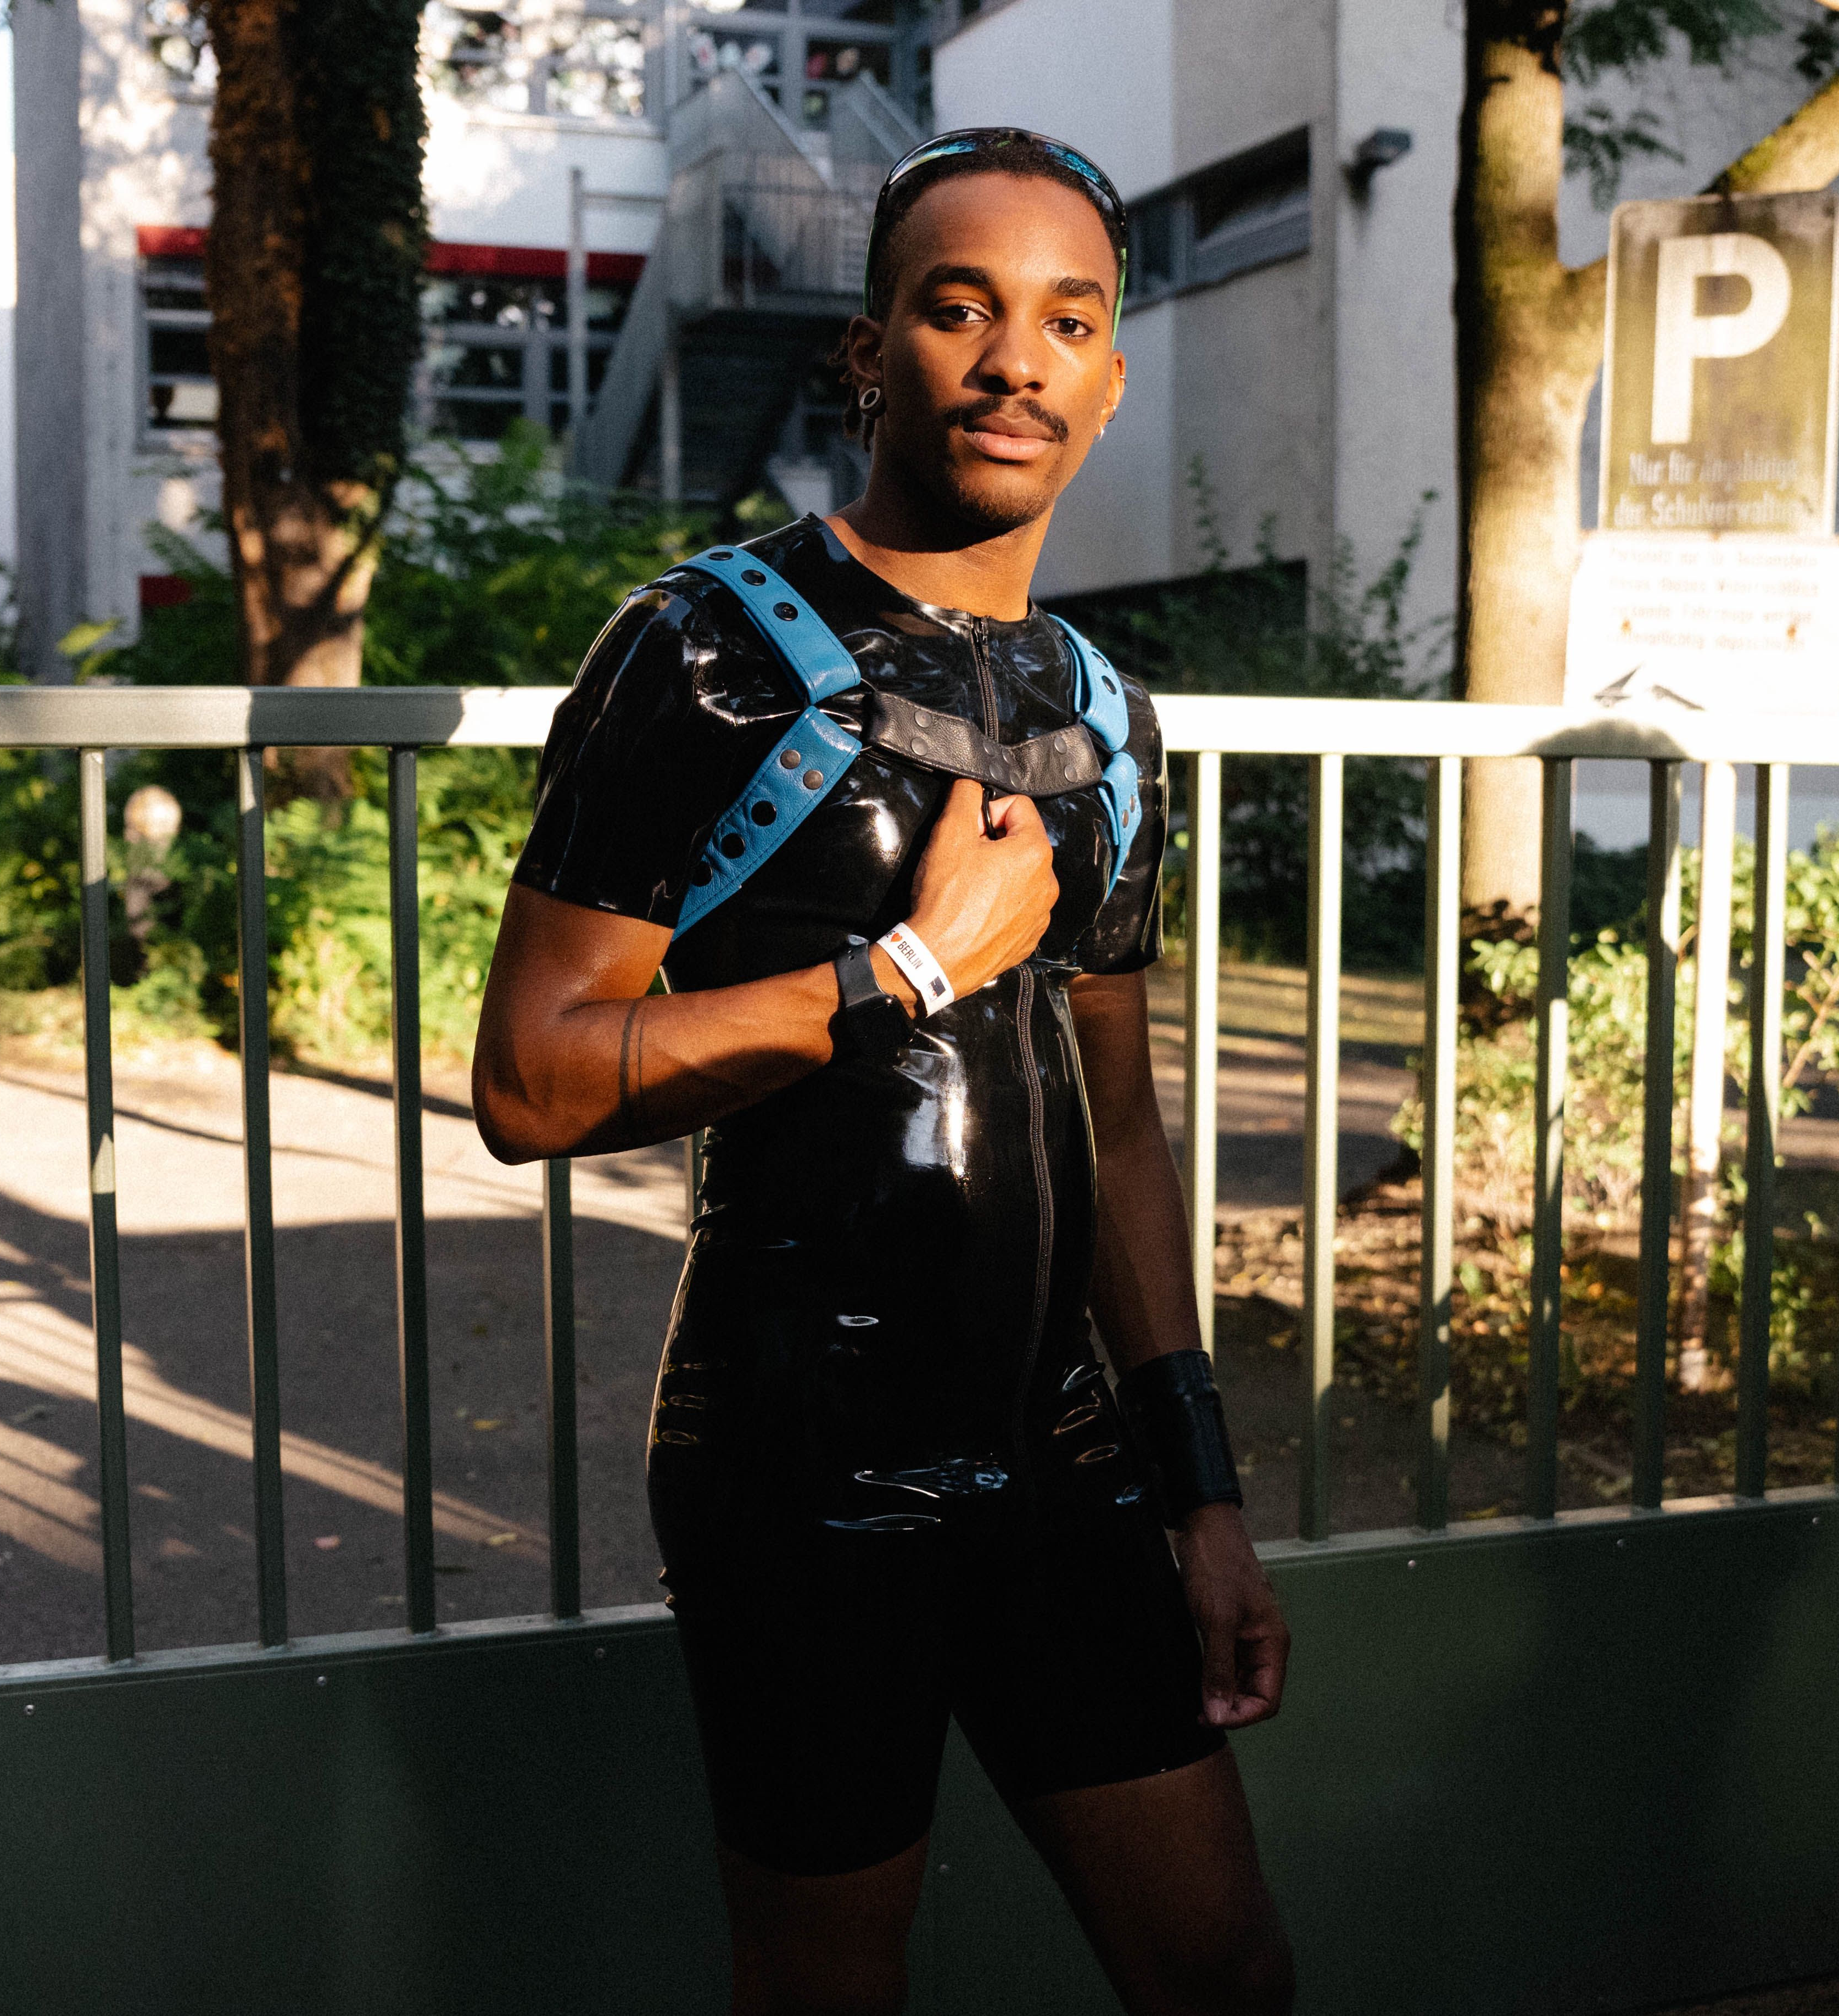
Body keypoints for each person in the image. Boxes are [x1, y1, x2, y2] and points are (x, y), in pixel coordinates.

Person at [473, 129, 1293, 2016]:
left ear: (1105, 376)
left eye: (1067, 319)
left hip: (1063, 1456)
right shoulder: (697, 654)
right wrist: (901, 971)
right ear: (870, 353)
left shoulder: (1106, 712)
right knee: (831, 1990)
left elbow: (1123, 1113)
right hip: (799, 1455)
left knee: (1227, 1969)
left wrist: (1201, 1484)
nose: (1016, 358)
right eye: (961, 307)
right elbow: (530, 1081)